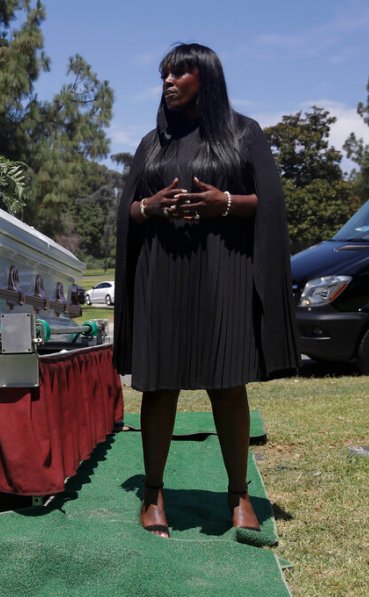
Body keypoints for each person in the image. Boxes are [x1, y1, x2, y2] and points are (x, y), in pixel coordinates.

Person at [113, 43, 300, 538]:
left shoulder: (244, 134)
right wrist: (149, 206)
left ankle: (238, 495)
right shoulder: (151, 144)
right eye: (164, 75)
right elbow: (127, 213)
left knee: (227, 381)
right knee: (159, 384)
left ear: (207, 78)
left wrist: (226, 202)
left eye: (180, 72)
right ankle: (153, 493)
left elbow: (270, 203)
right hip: (162, 274)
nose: (168, 82)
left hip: (224, 272)